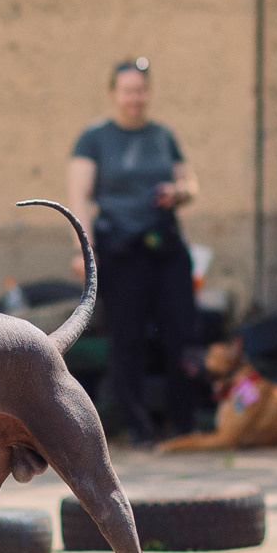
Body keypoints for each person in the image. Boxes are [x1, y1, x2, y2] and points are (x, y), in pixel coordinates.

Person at [66, 57, 201, 444]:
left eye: (140, 90)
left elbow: (189, 182)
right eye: (127, 91)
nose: (134, 98)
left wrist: (180, 192)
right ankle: (138, 428)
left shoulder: (162, 135)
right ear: (114, 94)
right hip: (120, 250)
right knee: (127, 340)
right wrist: (84, 250)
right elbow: (79, 194)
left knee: (182, 332)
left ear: (148, 93)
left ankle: (185, 426)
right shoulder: (93, 137)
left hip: (165, 244)